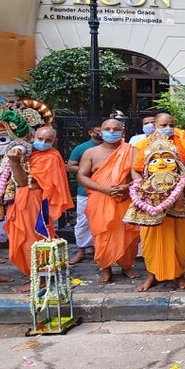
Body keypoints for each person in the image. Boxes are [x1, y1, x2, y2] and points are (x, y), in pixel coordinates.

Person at [127, 133, 185, 292]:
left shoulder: (182, 180)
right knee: (150, 244)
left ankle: (179, 275)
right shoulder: (145, 185)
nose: (160, 164)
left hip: (177, 213)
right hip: (151, 215)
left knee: (178, 244)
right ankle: (152, 275)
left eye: (167, 159)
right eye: (154, 160)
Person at [6, 126, 74, 285]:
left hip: (35, 201)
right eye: (40, 139)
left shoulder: (51, 157)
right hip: (22, 199)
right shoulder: (29, 153)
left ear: (54, 141)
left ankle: (41, 278)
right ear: (32, 137)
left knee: (35, 237)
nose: (43, 142)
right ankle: (34, 274)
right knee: (22, 238)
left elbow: (25, 182)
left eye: (48, 140)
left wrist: (14, 162)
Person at [77, 119, 140, 284]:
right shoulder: (91, 153)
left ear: (123, 132)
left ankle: (127, 266)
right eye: (107, 129)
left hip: (124, 197)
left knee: (128, 234)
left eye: (115, 129)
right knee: (101, 234)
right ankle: (106, 267)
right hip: (100, 198)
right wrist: (102, 189)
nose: (111, 132)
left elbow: (138, 175)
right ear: (101, 132)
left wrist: (127, 187)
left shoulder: (132, 151)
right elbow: (82, 176)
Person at [66, 120, 102, 265]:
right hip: (85, 191)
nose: (103, 133)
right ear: (91, 133)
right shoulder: (82, 148)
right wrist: (88, 169)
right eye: (99, 131)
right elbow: (70, 167)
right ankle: (81, 250)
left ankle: (99, 249)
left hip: (107, 191)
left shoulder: (115, 148)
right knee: (83, 221)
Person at [132, 112, 185, 178]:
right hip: (150, 182)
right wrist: (140, 183)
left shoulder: (183, 141)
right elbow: (135, 170)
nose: (168, 128)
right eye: (164, 125)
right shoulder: (141, 145)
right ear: (155, 125)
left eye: (171, 126)